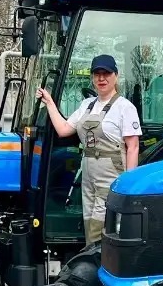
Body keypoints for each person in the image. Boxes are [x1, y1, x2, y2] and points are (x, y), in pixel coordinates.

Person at [37, 54, 142, 245]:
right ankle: (91, 262)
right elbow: (63, 130)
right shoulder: (87, 105)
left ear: (115, 76)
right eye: (97, 74)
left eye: (106, 73)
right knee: (89, 222)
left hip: (110, 174)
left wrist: (129, 185)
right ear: (92, 77)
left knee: (101, 224)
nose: (101, 78)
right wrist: (50, 103)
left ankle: (99, 264)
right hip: (88, 174)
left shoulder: (125, 108)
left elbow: (133, 147)